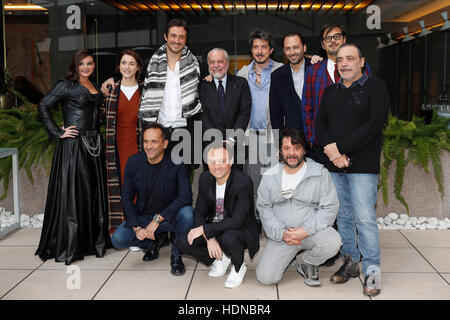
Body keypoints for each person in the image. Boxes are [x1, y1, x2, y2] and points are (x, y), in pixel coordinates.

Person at [316, 43, 389, 296]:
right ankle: (350, 262)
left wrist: (340, 150)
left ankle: (372, 270)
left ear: (361, 61)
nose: (344, 63)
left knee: (365, 218)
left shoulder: (375, 87)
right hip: (336, 166)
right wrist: (333, 153)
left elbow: (373, 125)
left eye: (350, 58)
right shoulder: (330, 92)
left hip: (363, 165)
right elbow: (320, 126)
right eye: (340, 59)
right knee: (344, 216)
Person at [36, 50, 111, 265]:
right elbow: (43, 106)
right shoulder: (65, 85)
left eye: (90, 63)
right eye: (82, 64)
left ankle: (93, 242)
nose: (86, 67)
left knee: (93, 194)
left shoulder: (95, 86)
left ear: (94, 65)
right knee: (75, 194)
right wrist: (58, 132)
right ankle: (73, 244)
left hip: (95, 146)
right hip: (74, 147)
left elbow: (99, 115)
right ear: (75, 66)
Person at [101, 19, 202, 159]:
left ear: (185, 39)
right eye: (173, 35)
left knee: (183, 175)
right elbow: (130, 75)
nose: (177, 40)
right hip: (158, 130)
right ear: (166, 37)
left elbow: (204, 88)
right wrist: (113, 79)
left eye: (181, 37)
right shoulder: (151, 64)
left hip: (184, 129)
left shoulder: (195, 64)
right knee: (158, 176)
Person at [256, 128, 341, 287]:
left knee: (333, 241)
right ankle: (290, 257)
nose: (292, 153)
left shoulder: (320, 173)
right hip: (283, 236)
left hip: (310, 232)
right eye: (286, 148)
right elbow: (264, 207)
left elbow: (330, 207)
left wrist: (305, 230)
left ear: (304, 150)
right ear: (280, 151)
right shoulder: (270, 175)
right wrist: (281, 233)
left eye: (297, 148)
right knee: (266, 278)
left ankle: (308, 263)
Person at [111, 122, 194, 276]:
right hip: (144, 217)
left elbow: (185, 197)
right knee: (118, 239)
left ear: (165, 144)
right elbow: (126, 199)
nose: (149, 146)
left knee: (188, 214)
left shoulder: (178, 162)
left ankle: (176, 253)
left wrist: (157, 220)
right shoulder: (134, 162)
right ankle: (154, 240)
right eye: (146, 141)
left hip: (170, 216)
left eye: (154, 141)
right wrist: (137, 228)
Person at [178, 141, 260, 288]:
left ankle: (238, 267)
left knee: (229, 237)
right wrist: (209, 238)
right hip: (215, 226)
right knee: (184, 241)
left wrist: (205, 230)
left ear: (231, 161)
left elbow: (237, 220)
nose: (217, 166)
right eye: (212, 162)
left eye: (222, 161)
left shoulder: (243, 182)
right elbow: (199, 212)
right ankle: (220, 260)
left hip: (239, 229)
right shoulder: (204, 178)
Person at [302, 22, 372, 164]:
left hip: (356, 146)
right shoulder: (312, 71)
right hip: (322, 149)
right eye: (328, 38)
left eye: (336, 36)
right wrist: (311, 138)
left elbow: (369, 104)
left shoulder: (361, 68)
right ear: (323, 45)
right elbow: (307, 107)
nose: (333, 41)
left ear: (344, 40)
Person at [236, 28, 282, 224]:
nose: (260, 51)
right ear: (252, 50)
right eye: (256, 47)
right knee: (254, 184)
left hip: (274, 136)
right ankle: (255, 225)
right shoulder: (243, 72)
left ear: (271, 50)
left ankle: (274, 225)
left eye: (264, 47)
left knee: (275, 185)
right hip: (251, 137)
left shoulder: (281, 70)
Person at [103, 49, 144, 228]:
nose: (127, 67)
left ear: (138, 68)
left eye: (131, 63)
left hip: (140, 145)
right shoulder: (110, 91)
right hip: (116, 145)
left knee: (139, 184)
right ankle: (121, 227)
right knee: (120, 184)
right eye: (124, 63)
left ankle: (139, 225)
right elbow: (97, 115)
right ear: (119, 66)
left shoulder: (146, 90)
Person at [199, 48, 252, 169]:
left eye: (220, 61)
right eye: (212, 62)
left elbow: (244, 113)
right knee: (211, 184)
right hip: (210, 146)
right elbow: (202, 115)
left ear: (228, 63)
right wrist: (216, 141)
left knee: (236, 184)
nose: (216, 65)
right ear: (208, 65)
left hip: (235, 145)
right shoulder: (202, 86)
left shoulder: (241, 83)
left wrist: (231, 139)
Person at [269, 31, 311, 133]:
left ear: (304, 47)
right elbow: (275, 116)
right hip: (293, 140)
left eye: (296, 47)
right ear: (284, 51)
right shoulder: (277, 76)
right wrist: (280, 143)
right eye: (288, 48)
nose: (292, 52)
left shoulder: (317, 68)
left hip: (318, 140)